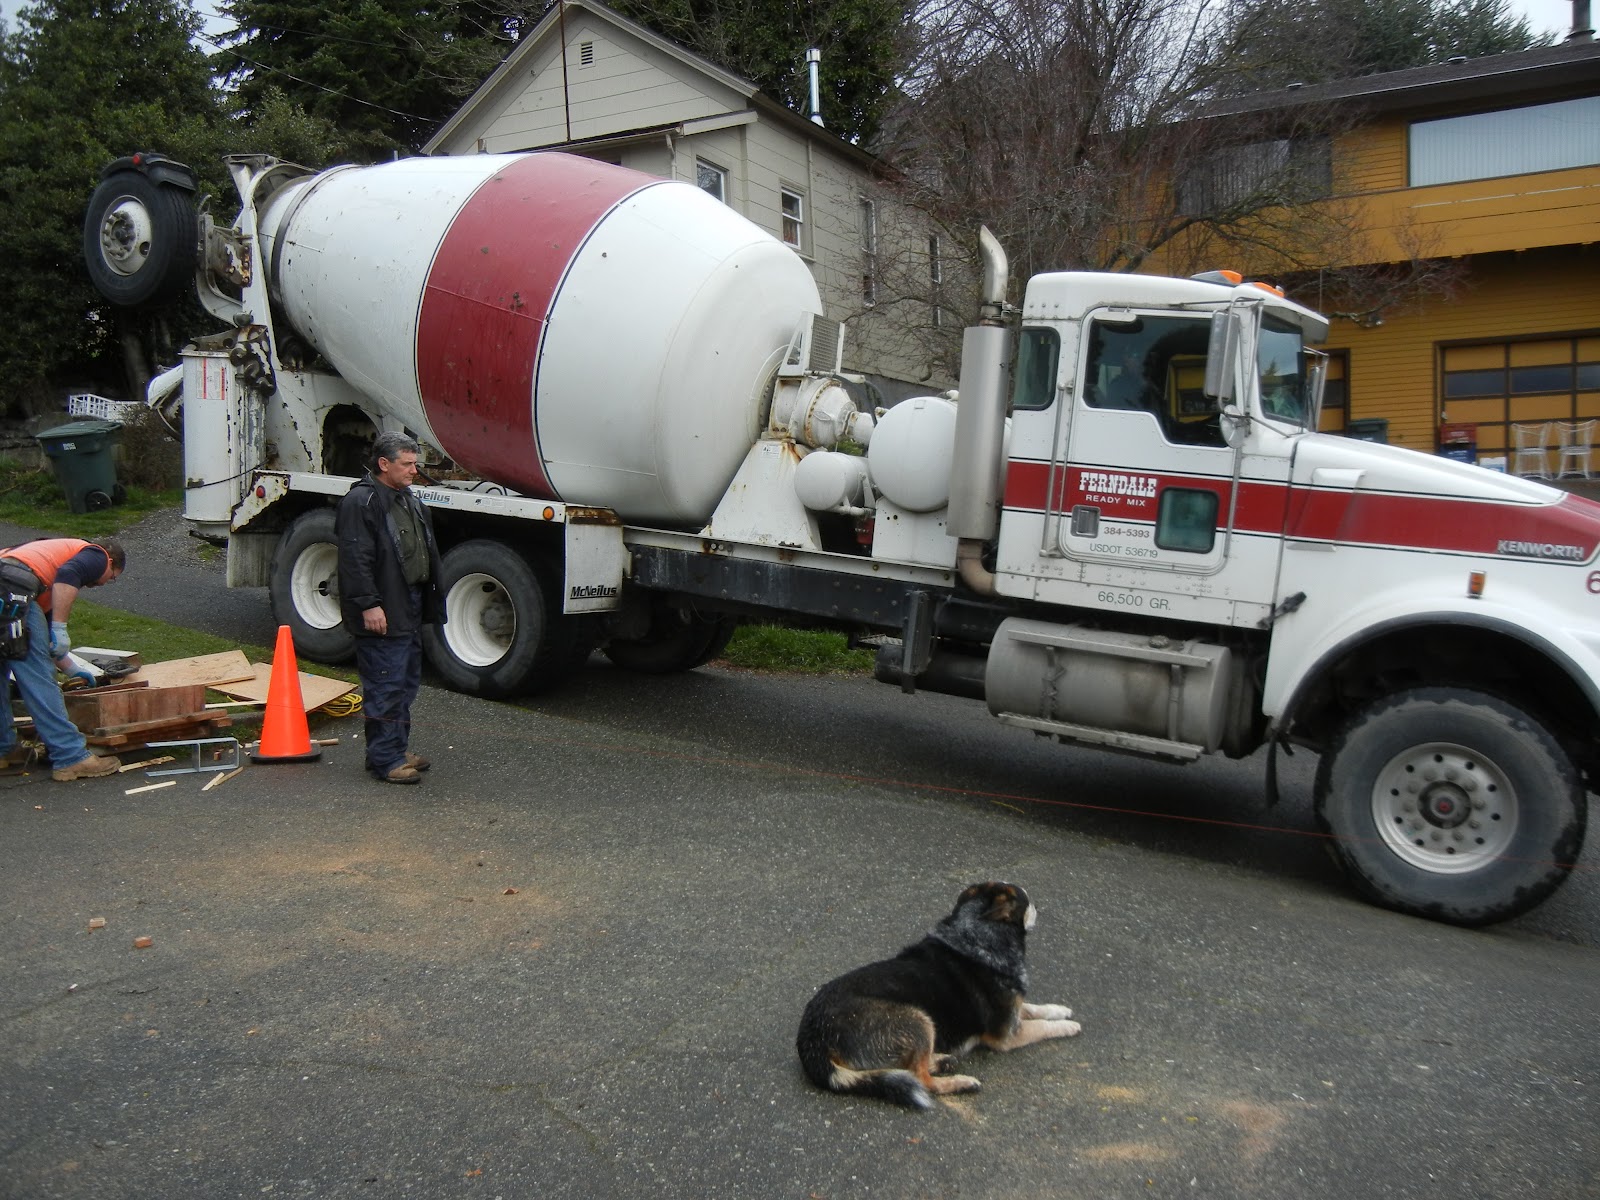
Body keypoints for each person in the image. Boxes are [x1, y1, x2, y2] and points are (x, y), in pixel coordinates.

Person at [336, 432, 444, 785]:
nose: (415, 470)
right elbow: (355, 559)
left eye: (416, 463)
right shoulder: (362, 502)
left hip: (408, 603)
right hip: (383, 608)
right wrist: (369, 605)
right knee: (385, 682)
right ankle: (386, 760)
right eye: (407, 464)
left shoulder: (406, 498)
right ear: (384, 464)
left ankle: (394, 748)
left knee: (405, 682)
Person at [0, 537, 126, 781]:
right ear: (110, 561)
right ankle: (71, 757)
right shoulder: (96, 554)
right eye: (111, 576)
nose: (106, 581)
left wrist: (71, 669)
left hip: (8, 588)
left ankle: (3, 750)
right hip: (13, 589)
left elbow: (45, 642)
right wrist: (60, 627)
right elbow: (69, 574)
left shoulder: (41, 571)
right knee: (39, 678)